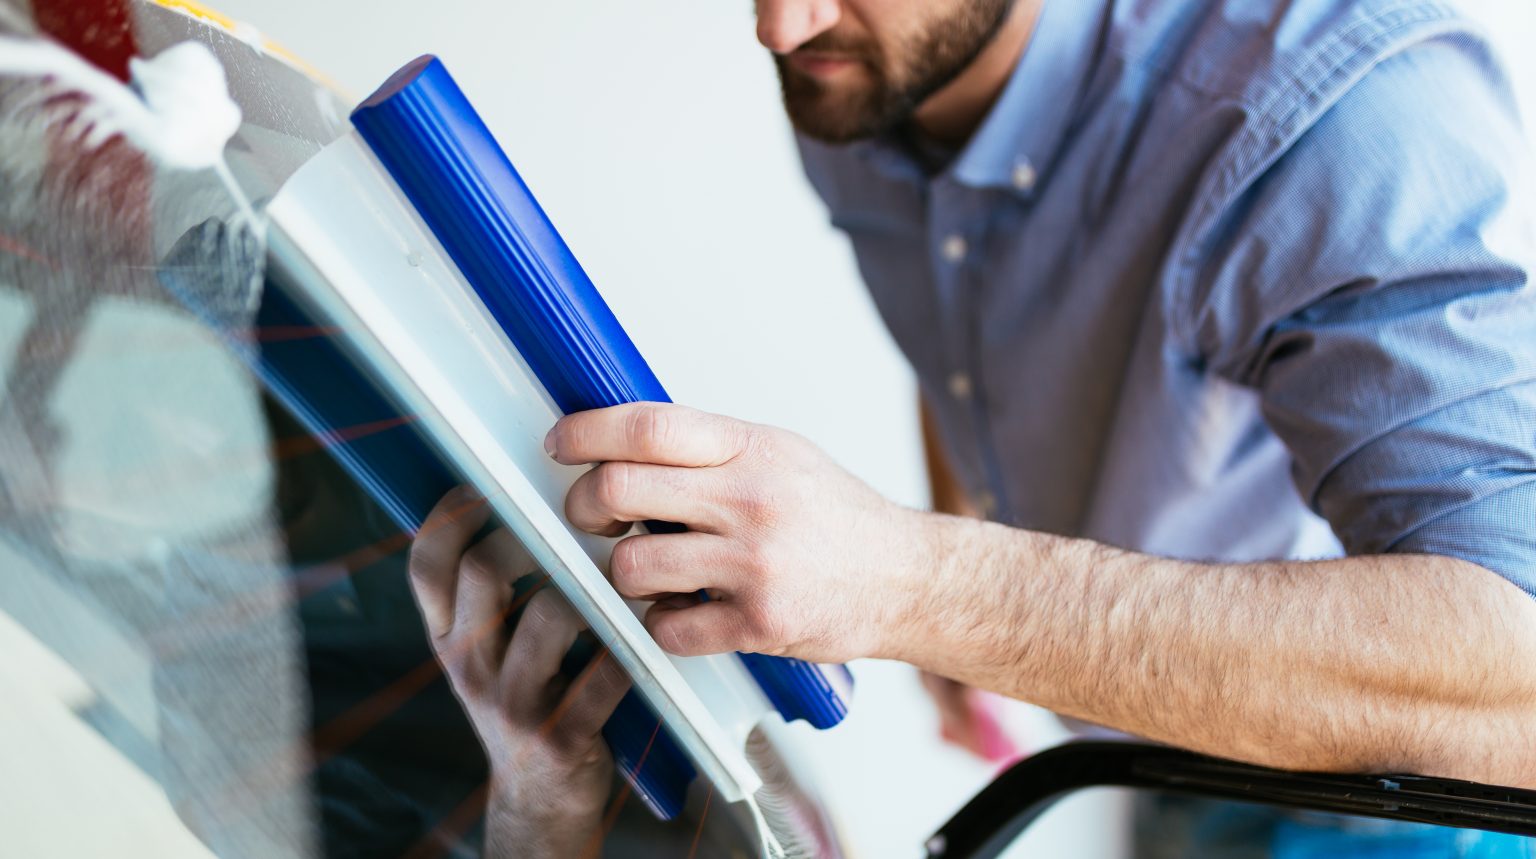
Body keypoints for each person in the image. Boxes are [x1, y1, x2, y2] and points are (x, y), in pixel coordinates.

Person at [413, 0, 1536, 855]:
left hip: (1397, 799)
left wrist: (922, 584)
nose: (779, 26)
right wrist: (978, 520)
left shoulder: (1341, 117)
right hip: (1148, 754)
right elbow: (974, 303)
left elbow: (1519, 677)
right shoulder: (860, 63)